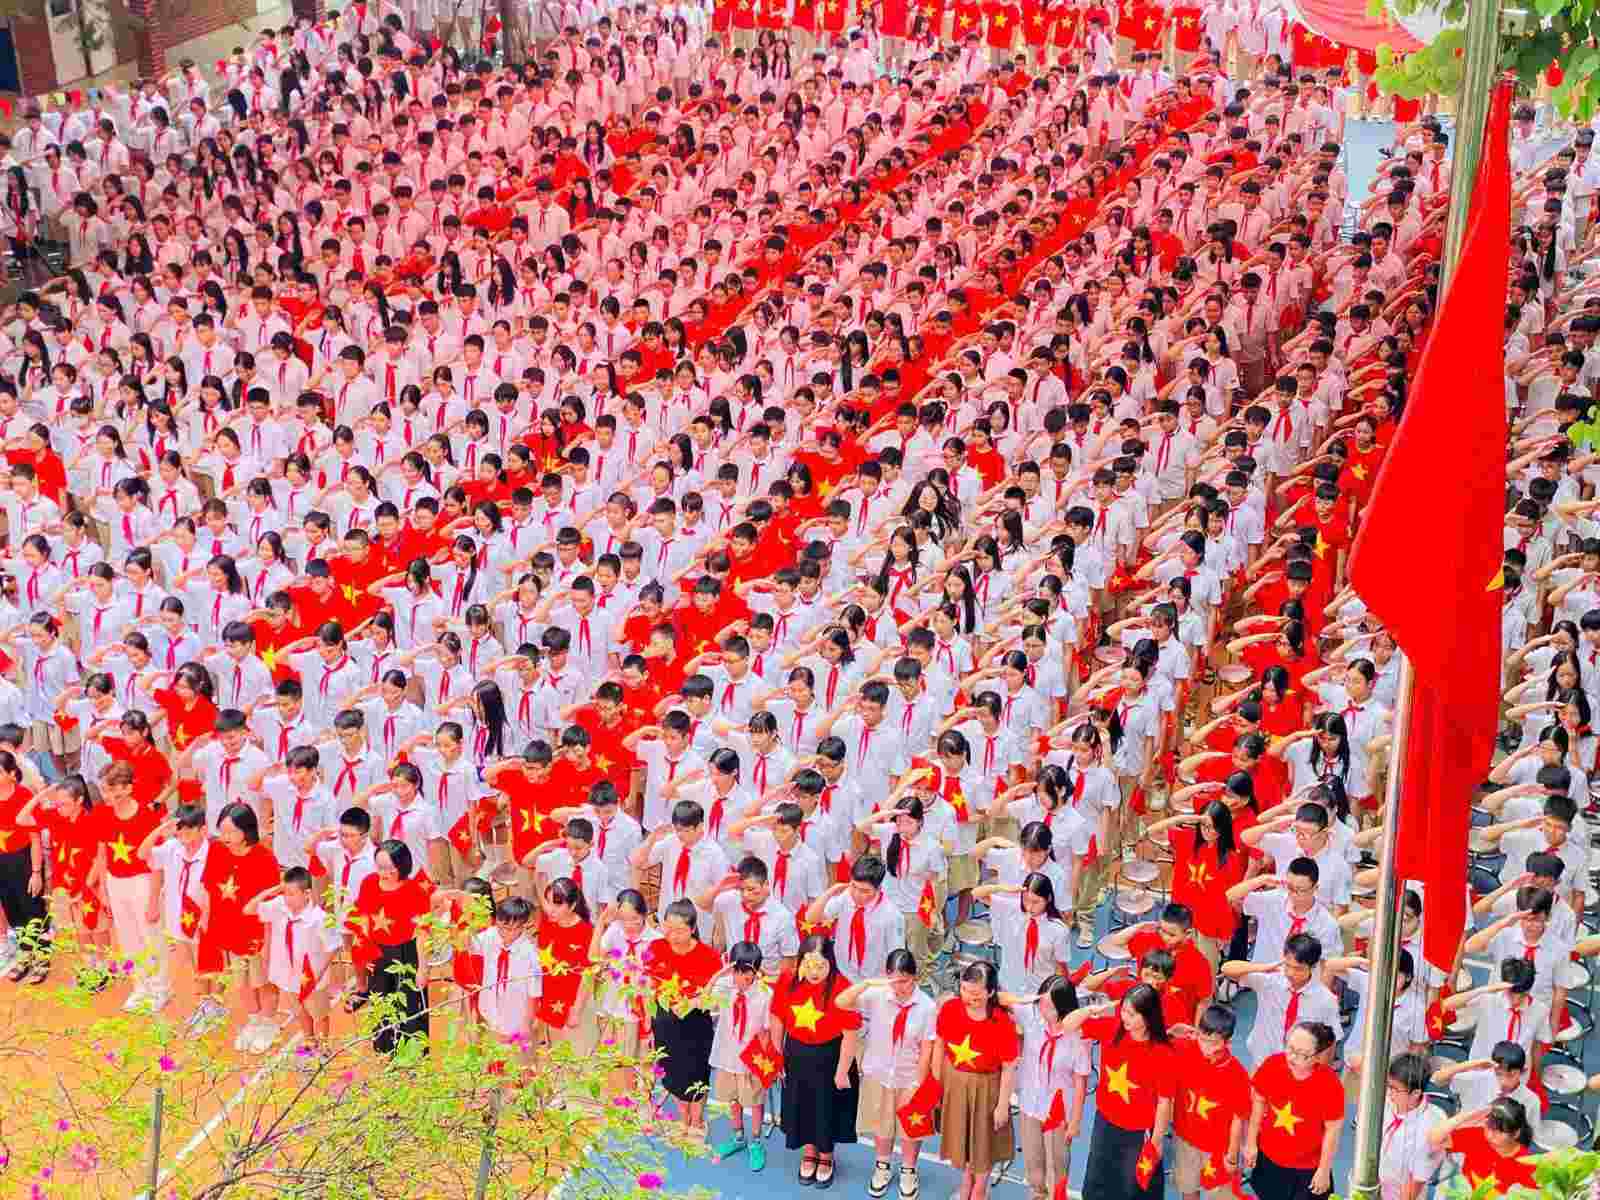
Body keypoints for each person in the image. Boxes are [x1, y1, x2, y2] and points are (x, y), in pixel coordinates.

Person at [1059, 981, 1178, 1200]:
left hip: (1138, 1131)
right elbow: (1066, 1025)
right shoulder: (1112, 1029)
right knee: (1097, 1183)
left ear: (1148, 1017)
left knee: (1131, 1189)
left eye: (1131, 1014)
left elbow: (1164, 1102)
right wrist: (1092, 1010)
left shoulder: (1163, 1053)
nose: (1125, 1018)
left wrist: (1156, 1142)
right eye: (1123, 1010)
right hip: (1105, 1123)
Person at [839, 950, 936, 1200]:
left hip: (909, 1077)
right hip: (879, 1073)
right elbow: (841, 1002)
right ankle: (882, 1166)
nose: (899, 987)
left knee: (910, 1129)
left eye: (904, 980)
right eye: (893, 980)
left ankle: (908, 1170)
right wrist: (867, 983)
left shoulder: (927, 1007)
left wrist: (917, 1083)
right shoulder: (876, 995)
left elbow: (927, 1049)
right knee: (881, 1125)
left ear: (915, 977)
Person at [770, 933, 863, 1188]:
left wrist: (842, 1071)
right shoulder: (787, 980)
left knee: (826, 1108)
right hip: (796, 1054)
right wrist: (776, 1054)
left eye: (820, 966)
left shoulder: (843, 988)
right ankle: (809, 1152)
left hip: (830, 1057)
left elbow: (850, 1034)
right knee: (801, 1105)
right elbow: (777, 1017)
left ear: (831, 963)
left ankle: (826, 1156)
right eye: (808, 964)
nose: (814, 972)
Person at [930, 960, 1020, 1200]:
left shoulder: (1001, 1021)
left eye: (976, 994)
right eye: (965, 990)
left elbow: (1009, 1067)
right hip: (954, 1083)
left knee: (983, 1144)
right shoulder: (950, 1009)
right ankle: (966, 1181)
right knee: (964, 1140)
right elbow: (939, 1046)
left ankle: (980, 1189)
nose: (969, 997)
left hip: (986, 1087)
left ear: (990, 992)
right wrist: (935, 1084)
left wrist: (1002, 1105)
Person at [999, 973, 1091, 1200]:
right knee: (1033, 1163)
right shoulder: (1032, 1016)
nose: (1042, 1009)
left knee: (1057, 1165)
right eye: (1040, 1002)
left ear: (1063, 1007)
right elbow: (1000, 998)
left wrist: (1075, 1121)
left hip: (1058, 1112)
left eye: (1049, 1006)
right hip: (1030, 1103)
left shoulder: (1078, 1036)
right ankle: (1037, 1194)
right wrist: (1026, 999)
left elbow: (1080, 1081)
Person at [644, 897, 724, 1133]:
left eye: (679, 930)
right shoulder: (655, 948)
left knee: (697, 1074)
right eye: (668, 928)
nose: (672, 935)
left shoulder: (709, 956)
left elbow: (716, 1000)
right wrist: (648, 1022)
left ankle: (697, 1120)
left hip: (695, 1026)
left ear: (693, 928)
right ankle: (684, 1117)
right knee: (673, 1074)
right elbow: (648, 986)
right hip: (664, 1024)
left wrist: (694, 1003)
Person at [1244, 1022, 1345, 1200]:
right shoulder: (1272, 1064)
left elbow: (1333, 1130)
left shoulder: (1329, 1084)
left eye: (1302, 1054)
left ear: (1317, 1057)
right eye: (1290, 1048)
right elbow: (1258, 1102)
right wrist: (1251, 1142)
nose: (1291, 1057)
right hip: (1270, 1157)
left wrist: (1323, 1170)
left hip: (1307, 1167)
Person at [708, 940, 773, 1171]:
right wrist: (718, 975)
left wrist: (765, 1064)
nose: (741, 977)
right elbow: (704, 1001)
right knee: (732, 1099)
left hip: (751, 1059)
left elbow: (767, 1030)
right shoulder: (724, 986)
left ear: (756, 971)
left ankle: (755, 1141)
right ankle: (738, 1137)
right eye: (737, 971)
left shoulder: (765, 994)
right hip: (726, 1054)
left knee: (755, 1101)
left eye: (747, 972)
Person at [1426, 1097, 1541, 1195]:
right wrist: (1464, 1117)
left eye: (1498, 1132)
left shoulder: (1528, 1163)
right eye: (1488, 1127)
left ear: (1515, 1133)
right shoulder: (1478, 1136)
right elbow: (1434, 1139)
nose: (1490, 1135)